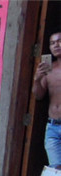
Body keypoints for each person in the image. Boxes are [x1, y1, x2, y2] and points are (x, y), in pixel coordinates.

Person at [34, 30, 61, 168]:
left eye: (59, 41)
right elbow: (39, 95)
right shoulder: (48, 68)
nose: (56, 45)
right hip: (53, 127)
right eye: (52, 43)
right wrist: (37, 79)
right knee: (56, 170)